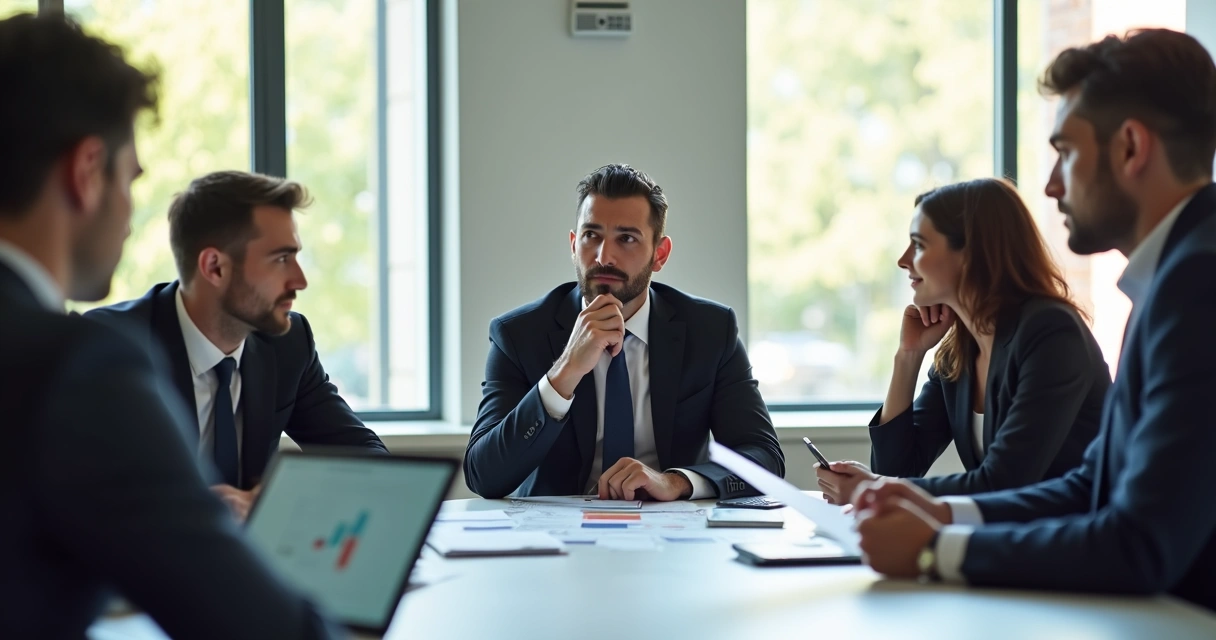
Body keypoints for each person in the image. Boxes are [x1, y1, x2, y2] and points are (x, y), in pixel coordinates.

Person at [852, 28, 1216, 611]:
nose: (1049, 185)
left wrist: (937, 550)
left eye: (1065, 153)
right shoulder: (1172, 279)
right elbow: (1093, 484)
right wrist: (938, 511)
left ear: (1130, 148)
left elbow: (1141, 542)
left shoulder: (1198, 286)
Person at [0, 13, 337, 638]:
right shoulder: (80, 368)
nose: (130, 216)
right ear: (86, 171)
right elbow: (257, 624)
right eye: (129, 181)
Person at [464, 164, 784, 501]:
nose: (605, 256)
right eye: (591, 235)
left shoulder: (710, 331)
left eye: (626, 238)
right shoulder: (518, 335)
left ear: (659, 254)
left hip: (674, 535)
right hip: (555, 539)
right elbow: (483, 475)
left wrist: (675, 482)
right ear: (574, 245)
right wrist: (565, 370)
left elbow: (764, 459)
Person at [87, 170, 387, 520]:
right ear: (215, 267)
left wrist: (277, 497)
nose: (300, 280)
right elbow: (68, 499)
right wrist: (190, 510)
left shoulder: (287, 344)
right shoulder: (106, 348)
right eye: (280, 259)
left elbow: (371, 463)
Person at [815, 178, 1109, 505]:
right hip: (1010, 540)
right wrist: (908, 355)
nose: (903, 260)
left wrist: (874, 489)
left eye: (919, 245)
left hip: (1074, 542)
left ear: (972, 254)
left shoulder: (1051, 333)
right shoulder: (961, 349)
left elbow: (1005, 482)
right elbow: (897, 468)